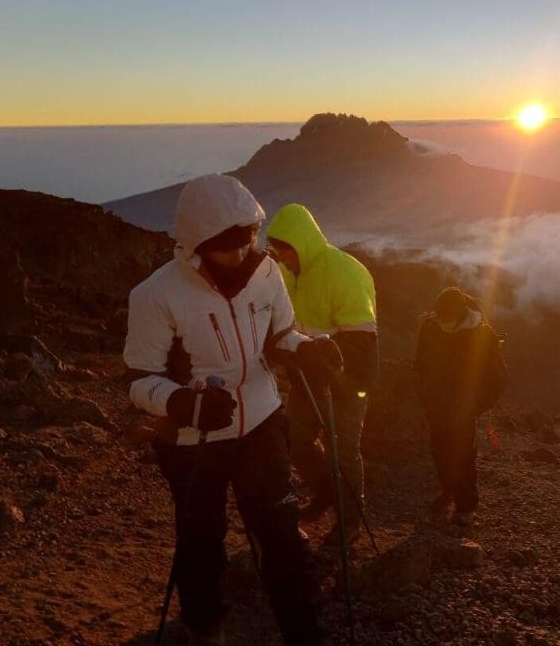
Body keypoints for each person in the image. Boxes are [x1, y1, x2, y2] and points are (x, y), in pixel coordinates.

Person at [123, 174, 338, 646]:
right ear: (198, 245)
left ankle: (305, 633)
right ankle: (204, 627)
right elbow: (139, 380)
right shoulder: (156, 295)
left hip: (261, 422)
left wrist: (306, 350)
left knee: (282, 535)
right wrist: (182, 402)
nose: (240, 255)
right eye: (227, 247)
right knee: (202, 541)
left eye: (246, 241)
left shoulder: (266, 273)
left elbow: (281, 335)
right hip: (191, 441)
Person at [265, 203, 379, 546]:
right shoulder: (285, 274)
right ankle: (326, 491)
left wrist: (325, 357)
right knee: (297, 441)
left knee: (343, 451)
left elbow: (362, 339)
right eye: (278, 251)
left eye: (285, 251)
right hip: (306, 377)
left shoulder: (345, 271)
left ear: (301, 244)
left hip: (348, 379)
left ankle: (349, 523)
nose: (281, 258)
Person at [413, 287, 506, 526]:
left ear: (460, 314)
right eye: (439, 319)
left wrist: (474, 406)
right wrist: (424, 392)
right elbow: (421, 362)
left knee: (463, 456)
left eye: (447, 320)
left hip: (463, 411)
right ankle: (448, 491)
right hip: (436, 405)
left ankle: (466, 508)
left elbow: (496, 379)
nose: (442, 324)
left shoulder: (482, 335)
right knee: (439, 451)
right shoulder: (431, 327)